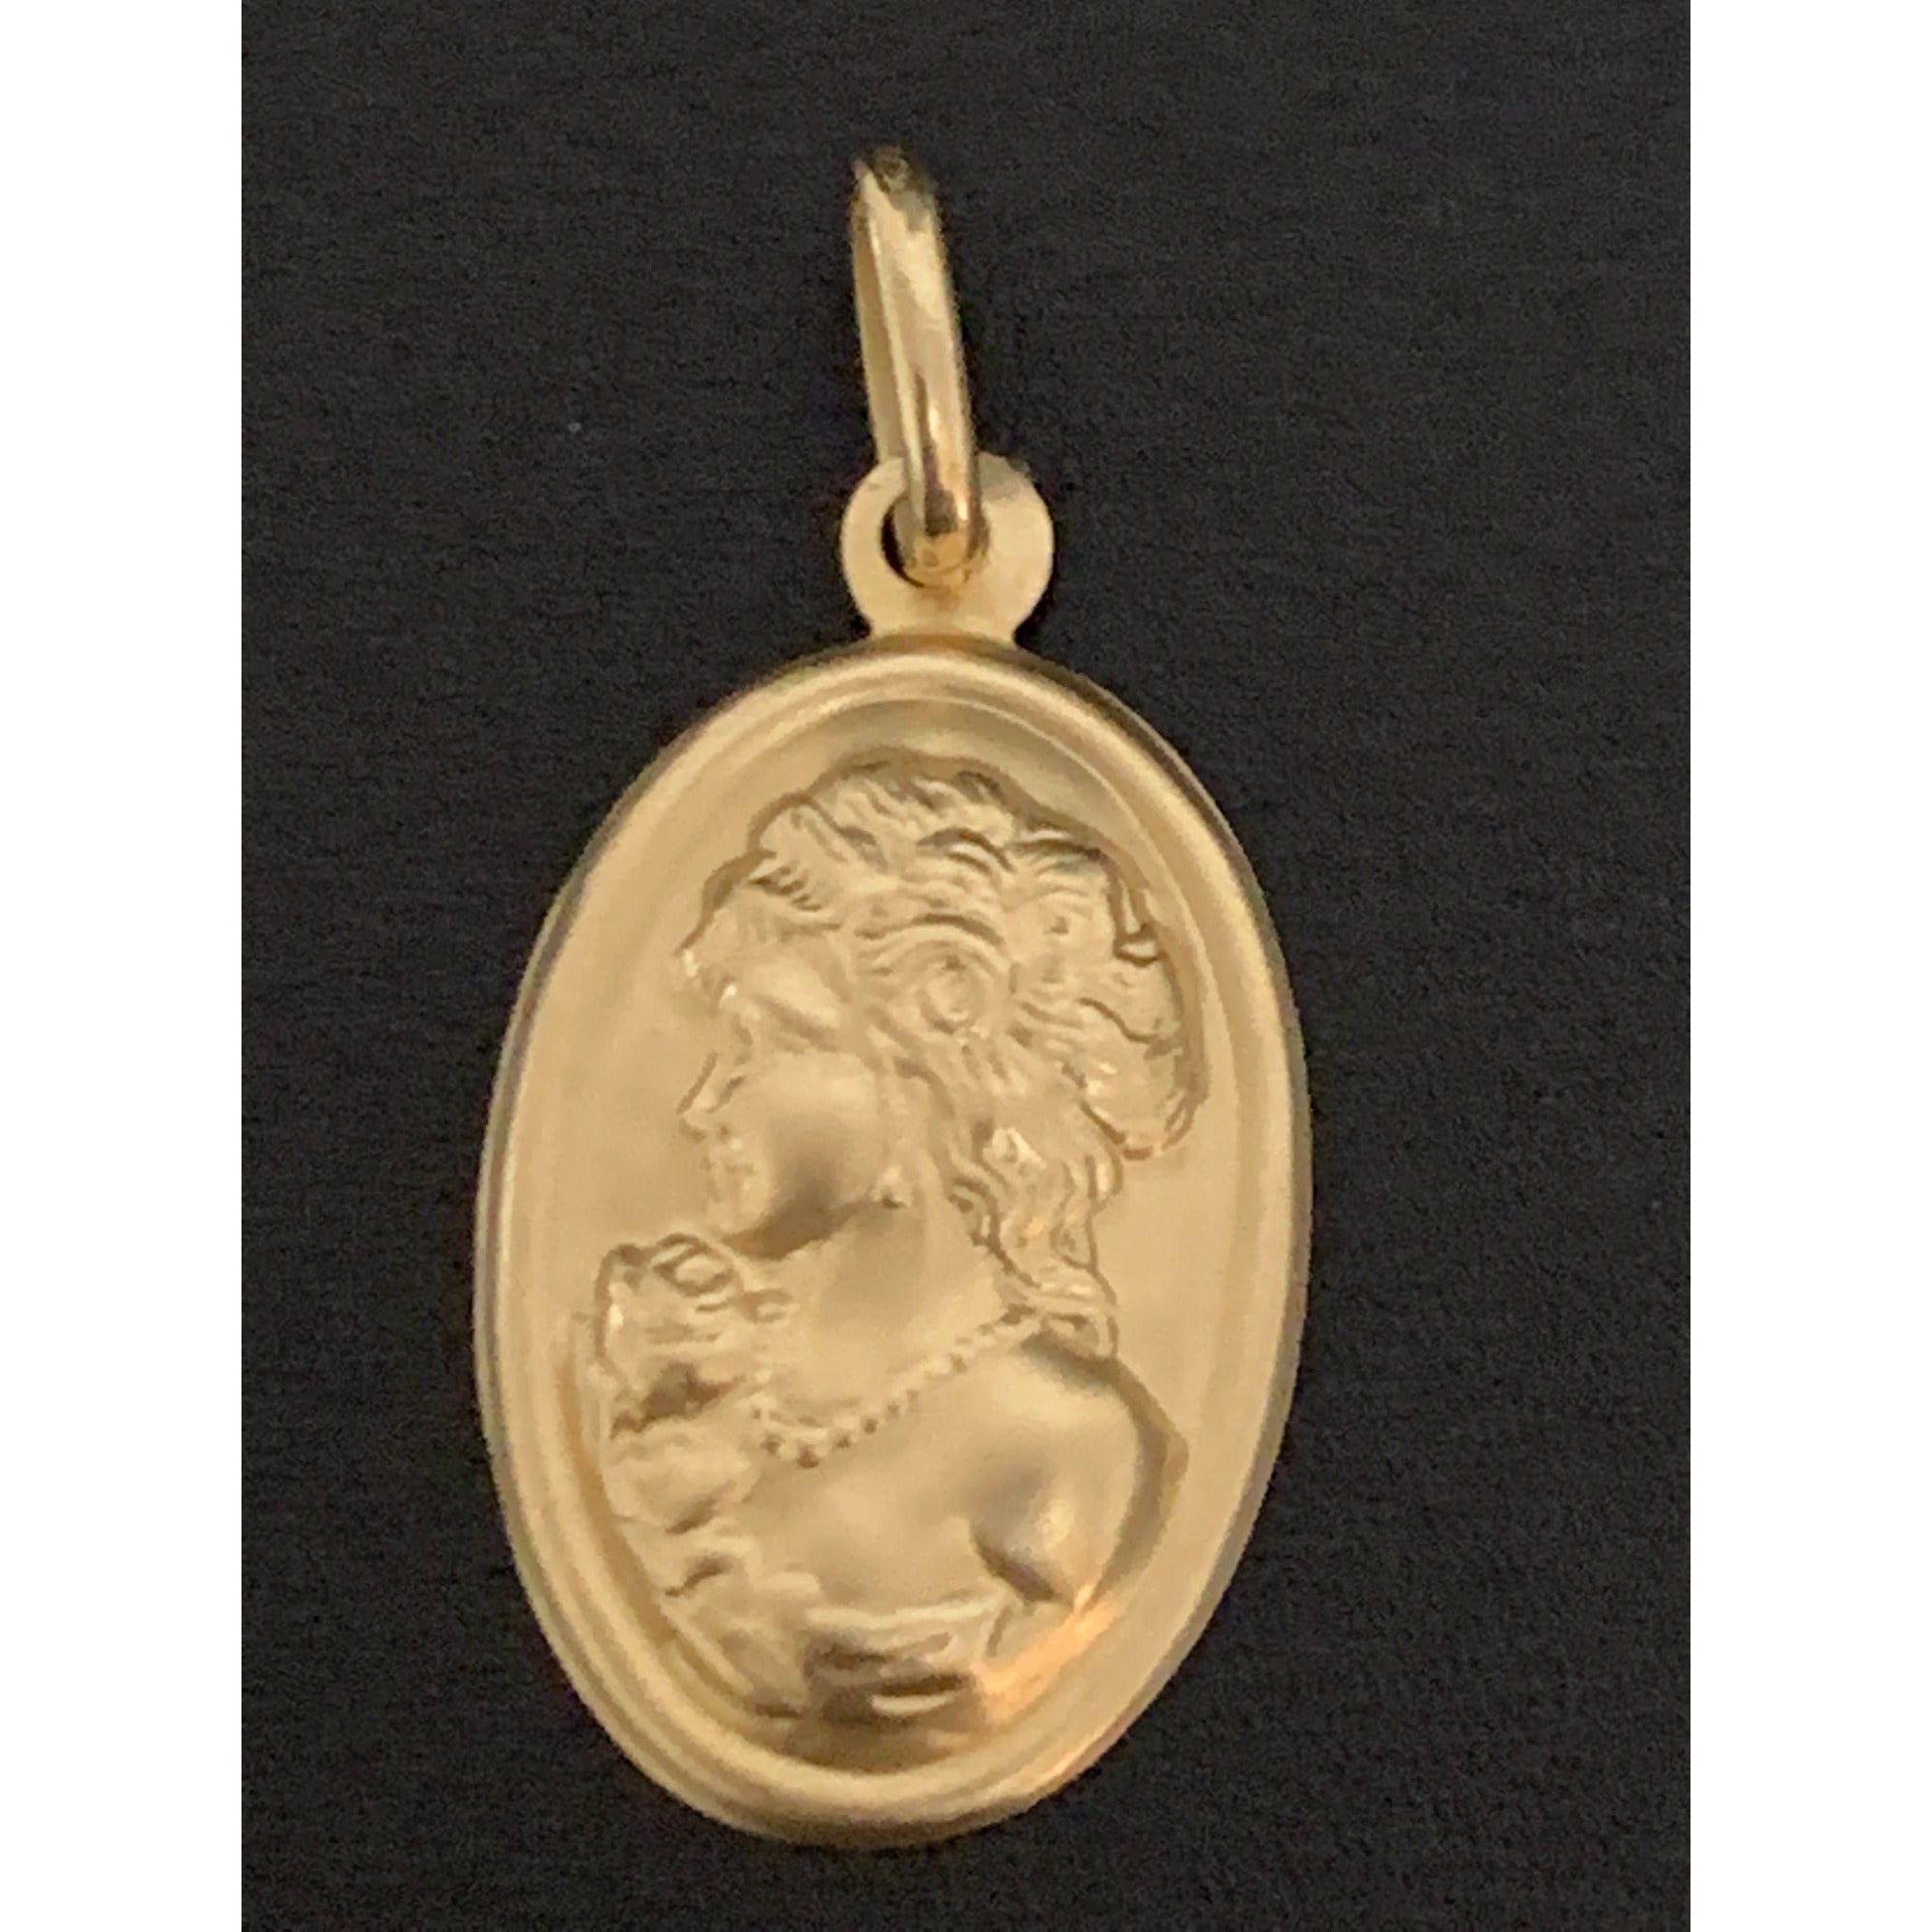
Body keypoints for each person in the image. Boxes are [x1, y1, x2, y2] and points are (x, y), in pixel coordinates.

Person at [580, 759, 1202, 1735]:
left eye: (760, 1042)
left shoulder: (1069, 1452)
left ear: (927, 1068)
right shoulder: (677, 1370)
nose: (702, 1105)